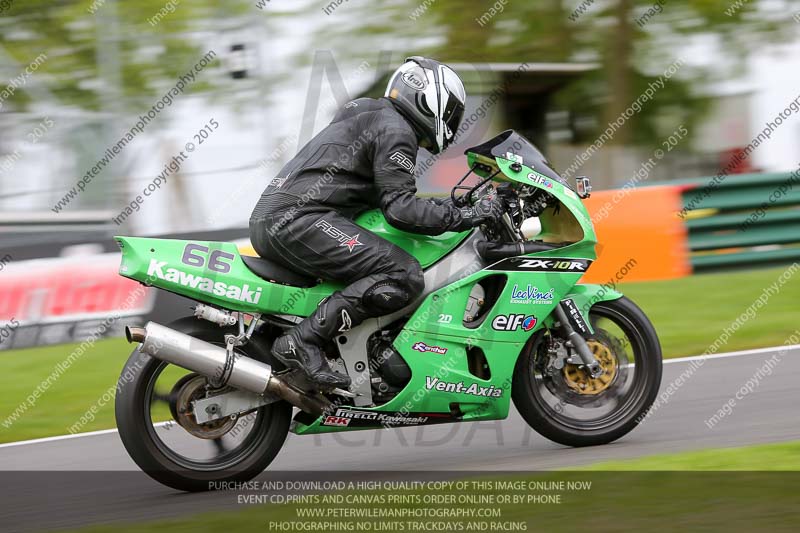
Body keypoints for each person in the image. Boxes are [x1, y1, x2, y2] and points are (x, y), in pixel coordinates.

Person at [248, 56, 503, 390]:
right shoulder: (397, 130)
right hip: (300, 219)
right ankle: (303, 341)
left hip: (279, 216)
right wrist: (465, 216)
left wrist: (452, 204)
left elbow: (387, 195)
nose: (453, 122)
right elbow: (400, 209)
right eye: (453, 112)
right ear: (430, 100)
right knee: (404, 274)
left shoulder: (368, 112)